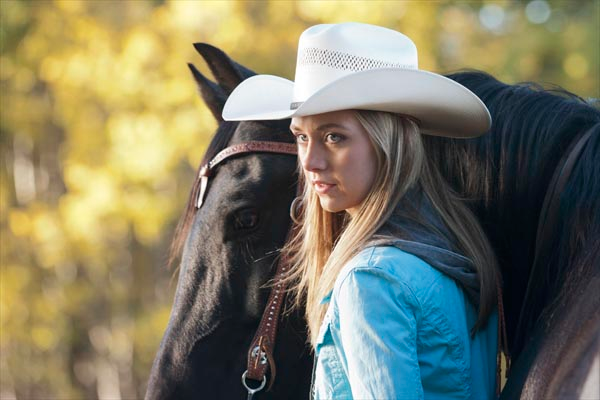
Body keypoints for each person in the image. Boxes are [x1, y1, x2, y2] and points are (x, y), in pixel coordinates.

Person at [223, 22, 502, 400]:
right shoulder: (453, 251)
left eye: (334, 136)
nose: (310, 161)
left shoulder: (371, 280)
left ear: (390, 141)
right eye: (301, 136)